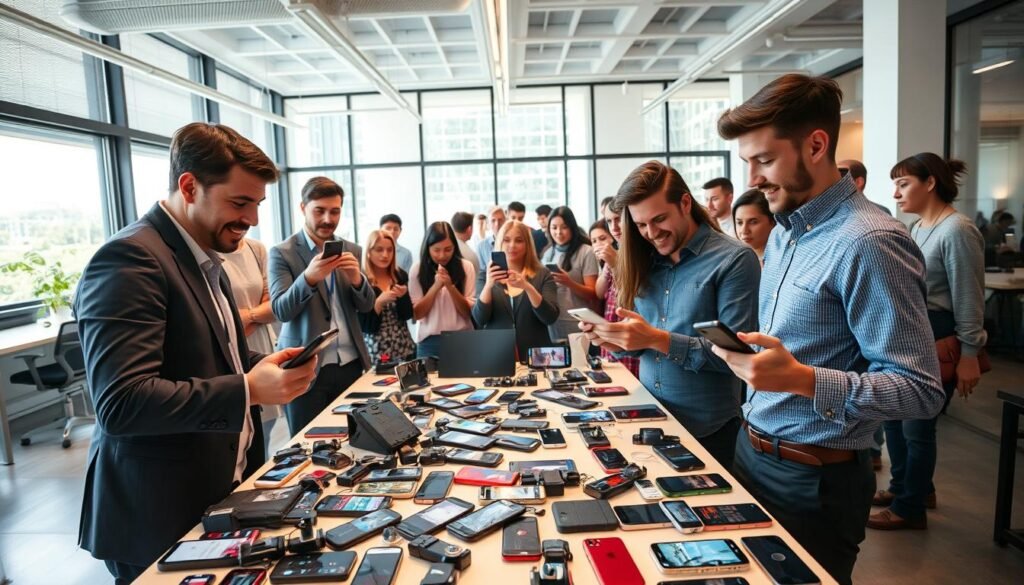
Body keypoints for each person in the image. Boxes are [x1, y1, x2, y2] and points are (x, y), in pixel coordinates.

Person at [713, 74, 945, 585]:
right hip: (752, 452)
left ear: (816, 145)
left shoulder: (871, 241)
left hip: (814, 478)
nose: (752, 178)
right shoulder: (783, 235)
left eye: (765, 160)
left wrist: (802, 380)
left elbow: (922, 391)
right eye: (747, 162)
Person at [75, 123, 318, 583]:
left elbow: (215, 353)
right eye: (239, 202)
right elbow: (121, 403)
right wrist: (247, 388)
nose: (251, 219)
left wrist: (261, 366)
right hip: (157, 514)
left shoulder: (206, 257)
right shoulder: (130, 259)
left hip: (214, 494)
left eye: (257, 205)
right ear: (190, 186)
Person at [579, 161, 760, 470]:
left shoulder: (733, 260)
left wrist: (655, 338)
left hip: (709, 430)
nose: (651, 233)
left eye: (659, 219)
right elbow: (641, 344)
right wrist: (613, 337)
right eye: (640, 225)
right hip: (648, 419)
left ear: (685, 203)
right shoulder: (642, 258)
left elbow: (735, 359)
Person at [868, 154, 987, 531]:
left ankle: (910, 507)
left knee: (917, 427)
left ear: (930, 183)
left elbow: (969, 296)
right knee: (894, 418)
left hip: (942, 333)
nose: (896, 192)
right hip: (915, 333)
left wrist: (969, 354)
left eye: (904, 184)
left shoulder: (958, 230)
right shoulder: (918, 227)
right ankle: (908, 487)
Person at [269, 176, 376, 435]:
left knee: (354, 438)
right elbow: (281, 309)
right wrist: (308, 278)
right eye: (320, 210)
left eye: (335, 211)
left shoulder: (351, 249)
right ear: (303, 208)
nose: (328, 218)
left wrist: (357, 280)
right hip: (306, 367)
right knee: (306, 444)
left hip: (350, 363)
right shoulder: (282, 253)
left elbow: (366, 306)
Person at [222, 237, 283, 452]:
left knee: (264, 436)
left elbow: (274, 305)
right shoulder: (205, 253)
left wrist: (243, 318)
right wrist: (257, 315)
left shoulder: (256, 248)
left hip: (259, 347)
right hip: (227, 350)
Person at [474, 220, 560, 359]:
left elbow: (550, 317)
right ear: (499, 243)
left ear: (527, 245)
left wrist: (527, 287)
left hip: (537, 356)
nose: (512, 246)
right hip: (496, 355)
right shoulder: (486, 275)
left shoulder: (543, 274)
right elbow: (480, 318)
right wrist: (489, 285)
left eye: (519, 240)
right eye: (506, 240)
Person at [410, 222, 476, 358]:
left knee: (468, 380)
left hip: (463, 339)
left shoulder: (466, 267)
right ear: (427, 248)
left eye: (448, 249)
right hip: (429, 342)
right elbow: (417, 314)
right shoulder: (417, 270)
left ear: (455, 247)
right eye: (436, 250)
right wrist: (436, 287)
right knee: (427, 380)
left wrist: (450, 286)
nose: (442, 255)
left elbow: (467, 312)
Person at [593, 201, 640, 378]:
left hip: (629, 327)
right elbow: (599, 292)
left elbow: (632, 299)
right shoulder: (617, 250)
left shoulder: (639, 252)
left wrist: (614, 265)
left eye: (618, 219)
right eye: (609, 221)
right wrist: (608, 267)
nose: (614, 227)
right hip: (612, 322)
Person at [541, 206, 600, 341]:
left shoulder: (586, 251)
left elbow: (593, 294)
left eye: (564, 227)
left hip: (578, 323)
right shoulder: (547, 253)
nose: (559, 232)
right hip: (554, 323)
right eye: (554, 227)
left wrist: (569, 282)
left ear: (572, 227)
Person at [357, 230, 415, 365]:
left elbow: (407, 315)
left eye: (390, 250)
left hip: (403, 345)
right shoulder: (361, 279)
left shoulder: (399, 275)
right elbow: (365, 326)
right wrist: (379, 303)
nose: (385, 255)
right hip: (376, 350)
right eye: (379, 250)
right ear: (369, 252)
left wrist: (403, 297)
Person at [731, 189, 775, 264]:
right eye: (739, 223)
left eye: (753, 222)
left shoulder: (782, 260)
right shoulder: (734, 261)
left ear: (773, 221)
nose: (744, 230)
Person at [475, 206, 507, 294]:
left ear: (506, 221)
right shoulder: (481, 246)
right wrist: (481, 296)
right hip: (492, 291)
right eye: (493, 220)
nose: (497, 224)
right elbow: (481, 275)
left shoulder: (513, 243)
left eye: (500, 220)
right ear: (488, 224)